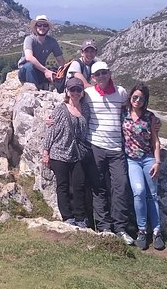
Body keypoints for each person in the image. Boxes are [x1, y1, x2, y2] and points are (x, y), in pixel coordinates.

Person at [83, 61, 133, 245]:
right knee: (99, 187)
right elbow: (69, 101)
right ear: (93, 77)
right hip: (95, 146)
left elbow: (131, 111)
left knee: (120, 186)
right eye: (97, 74)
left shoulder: (121, 92)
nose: (101, 77)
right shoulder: (88, 94)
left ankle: (120, 228)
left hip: (116, 148)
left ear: (109, 73)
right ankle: (103, 226)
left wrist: (152, 122)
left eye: (104, 73)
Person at [42, 77, 90, 228]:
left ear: (82, 92)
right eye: (72, 90)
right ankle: (67, 217)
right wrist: (45, 151)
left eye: (78, 89)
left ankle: (80, 217)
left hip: (77, 154)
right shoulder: (60, 109)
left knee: (79, 185)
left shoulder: (86, 109)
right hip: (59, 152)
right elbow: (52, 131)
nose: (76, 92)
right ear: (67, 92)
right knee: (62, 186)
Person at [122, 83, 165, 250]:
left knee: (152, 195)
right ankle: (142, 231)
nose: (137, 100)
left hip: (148, 159)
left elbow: (155, 141)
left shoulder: (150, 117)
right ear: (130, 97)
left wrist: (157, 162)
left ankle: (156, 232)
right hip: (131, 160)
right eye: (135, 97)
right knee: (139, 192)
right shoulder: (123, 113)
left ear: (145, 100)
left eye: (141, 98)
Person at [18, 15, 65, 90]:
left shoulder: (52, 42)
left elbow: (61, 61)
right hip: (25, 69)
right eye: (39, 25)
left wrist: (61, 72)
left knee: (57, 73)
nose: (42, 27)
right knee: (30, 66)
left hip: (39, 69)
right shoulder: (29, 39)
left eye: (45, 25)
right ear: (36, 27)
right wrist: (46, 71)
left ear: (48, 28)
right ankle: (34, 93)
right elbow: (29, 57)